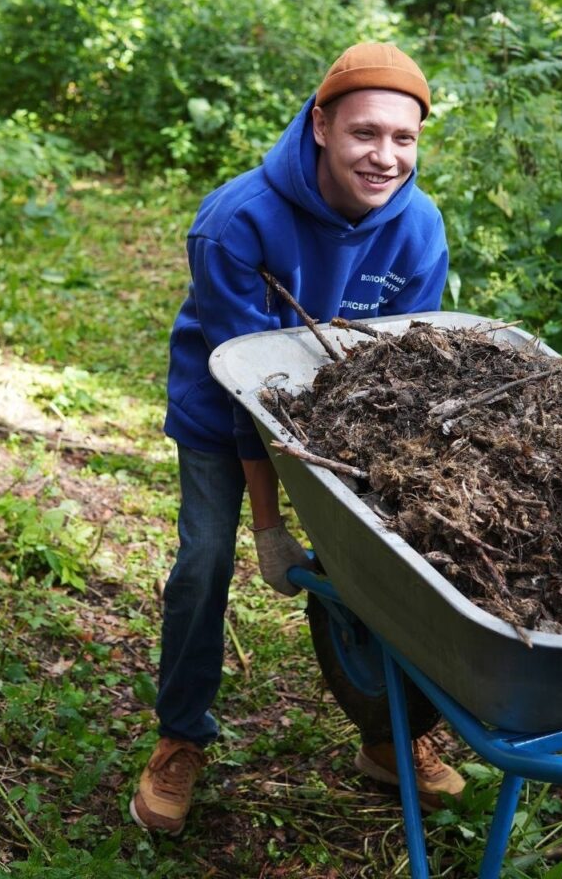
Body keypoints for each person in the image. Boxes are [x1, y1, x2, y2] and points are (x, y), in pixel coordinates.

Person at [130, 43, 465, 836]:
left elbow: (407, 370)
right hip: (226, 412)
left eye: (404, 139)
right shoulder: (236, 221)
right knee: (206, 562)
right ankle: (181, 735)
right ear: (321, 125)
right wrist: (272, 525)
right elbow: (250, 388)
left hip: (348, 421)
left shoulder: (417, 227)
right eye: (364, 134)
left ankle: (390, 740)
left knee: (389, 565)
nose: (385, 157)